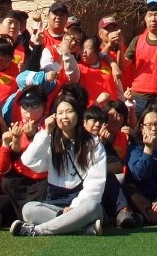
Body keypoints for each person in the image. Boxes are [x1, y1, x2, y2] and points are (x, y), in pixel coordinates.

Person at [10, 93, 109, 236]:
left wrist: (75, 206)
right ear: (54, 116)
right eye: (60, 113)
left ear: (78, 114)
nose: (64, 117)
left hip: (82, 203)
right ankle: (81, 228)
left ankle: (37, 230)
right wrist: (46, 133)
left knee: (93, 207)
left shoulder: (93, 143)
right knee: (28, 210)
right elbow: (29, 161)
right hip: (55, 204)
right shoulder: (49, 138)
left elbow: (96, 182)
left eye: (69, 112)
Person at [124, 2, 157, 117]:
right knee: (136, 130)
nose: (153, 19)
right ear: (145, 18)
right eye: (149, 15)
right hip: (138, 96)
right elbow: (124, 65)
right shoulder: (137, 40)